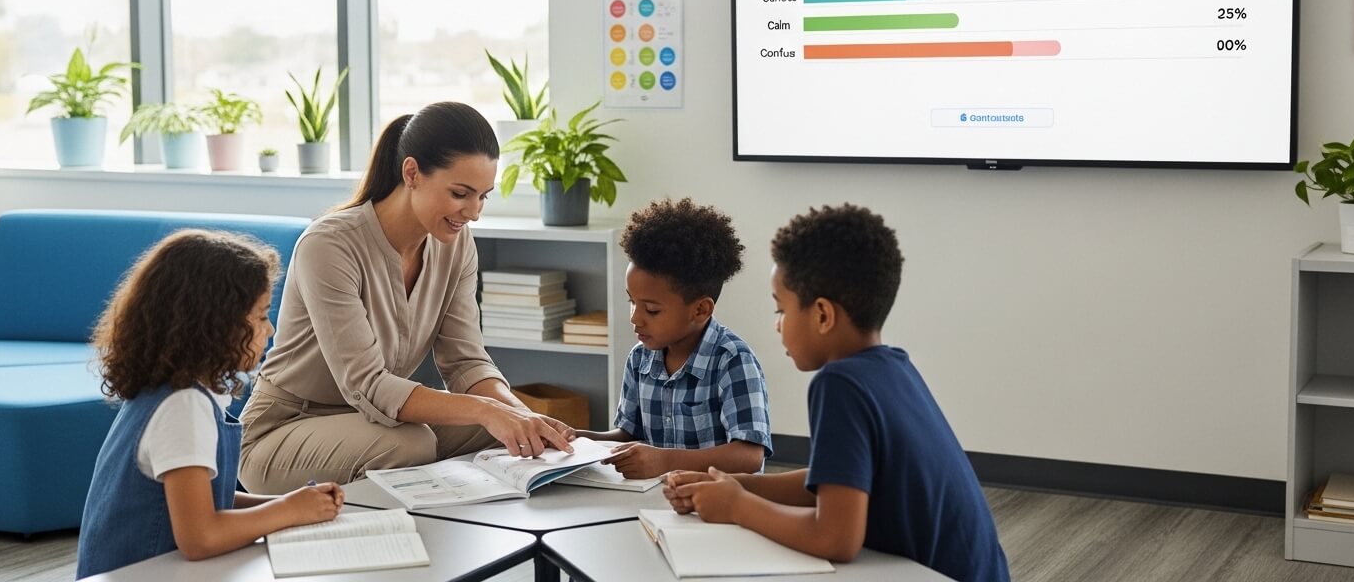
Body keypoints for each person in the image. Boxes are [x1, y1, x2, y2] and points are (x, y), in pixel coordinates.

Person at [239, 102, 573, 494]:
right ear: (411, 172)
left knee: (504, 433)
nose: (474, 212)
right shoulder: (329, 244)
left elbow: (466, 362)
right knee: (414, 443)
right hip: (285, 429)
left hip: (378, 424)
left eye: (483, 196)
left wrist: (519, 414)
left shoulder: (456, 244)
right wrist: (488, 411)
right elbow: (368, 385)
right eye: (460, 193)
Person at [664, 205, 1010, 582]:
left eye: (780, 309)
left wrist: (738, 506)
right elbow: (837, 480)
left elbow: (836, 538)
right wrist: (738, 486)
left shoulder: (839, 384)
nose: (777, 326)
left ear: (823, 315)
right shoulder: (894, 367)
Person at [77, 230, 345, 578]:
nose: (271, 329)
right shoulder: (183, 408)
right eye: (262, 316)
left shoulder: (172, 392)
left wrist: (293, 504)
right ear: (215, 323)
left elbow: (204, 501)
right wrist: (289, 511)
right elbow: (199, 537)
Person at [576, 198, 771, 479]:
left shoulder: (733, 361)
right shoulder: (640, 358)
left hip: (720, 504)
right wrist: (578, 438)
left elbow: (749, 456)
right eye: (632, 302)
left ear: (700, 310)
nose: (635, 318)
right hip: (657, 499)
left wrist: (665, 460)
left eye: (652, 310)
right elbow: (628, 434)